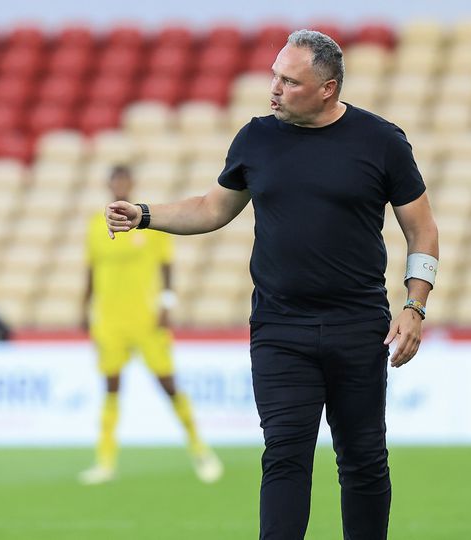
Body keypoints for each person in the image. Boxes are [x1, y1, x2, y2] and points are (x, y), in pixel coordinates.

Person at [105, 30, 439, 539]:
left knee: (364, 458)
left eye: (289, 80)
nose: (274, 89)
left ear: (327, 88)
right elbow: (212, 208)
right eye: (274, 76)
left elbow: (422, 229)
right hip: (281, 327)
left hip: (358, 325)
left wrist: (414, 306)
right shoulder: (256, 138)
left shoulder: (381, 141)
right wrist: (145, 214)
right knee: (284, 453)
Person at [80, 164, 223, 485]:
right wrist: (84, 306)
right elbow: (90, 269)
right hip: (109, 320)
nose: (119, 184)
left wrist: (167, 302)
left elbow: (167, 266)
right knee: (111, 387)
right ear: (108, 184)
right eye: (114, 179)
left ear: (131, 183)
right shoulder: (94, 225)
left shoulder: (143, 222)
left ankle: (201, 451)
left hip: (146, 318)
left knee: (168, 385)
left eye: (124, 179)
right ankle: (104, 461)